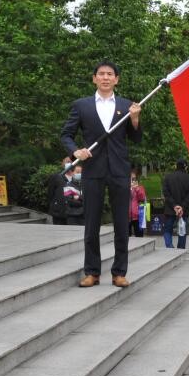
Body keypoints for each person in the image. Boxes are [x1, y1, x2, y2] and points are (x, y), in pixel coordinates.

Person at [60, 61, 143, 287]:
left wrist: (135, 119)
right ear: (94, 78)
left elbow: (137, 138)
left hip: (119, 170)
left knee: (121, 223)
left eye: (110, 74)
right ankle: (92, 272)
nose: (105, 77)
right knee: (91, 223)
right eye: (101, 74)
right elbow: (66, 134)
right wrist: (75, 151)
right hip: (92, 169)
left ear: (116, 79)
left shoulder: (127, 105)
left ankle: (119, 272)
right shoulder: (81, 105)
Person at [162, 159, 189, 249]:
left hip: (170, 209)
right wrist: (182, 207)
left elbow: (166, 193)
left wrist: (174, 205)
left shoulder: (168, 177)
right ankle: (180, 251)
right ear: (186, 167)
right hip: (184, 211)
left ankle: (169, 247)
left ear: (176, 166)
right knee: (182, 231)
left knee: (167, 230)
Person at [48, 157, 72, 225]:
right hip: (59, 212)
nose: (69, 163)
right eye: (67, 162)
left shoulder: (77, 178)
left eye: (71, 162)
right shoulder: (56, 177)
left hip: (74, 213)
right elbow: (50, 193)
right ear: (63, 164)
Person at [128, 168, 147, 238]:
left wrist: (137, 189)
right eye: (130, 178)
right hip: (126, 216)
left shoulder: (140, 187)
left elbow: (142, 198)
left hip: (137, 215)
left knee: (139, 236)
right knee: (126, 237)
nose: (132, 180)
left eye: (134, 179)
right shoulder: (124, 187)